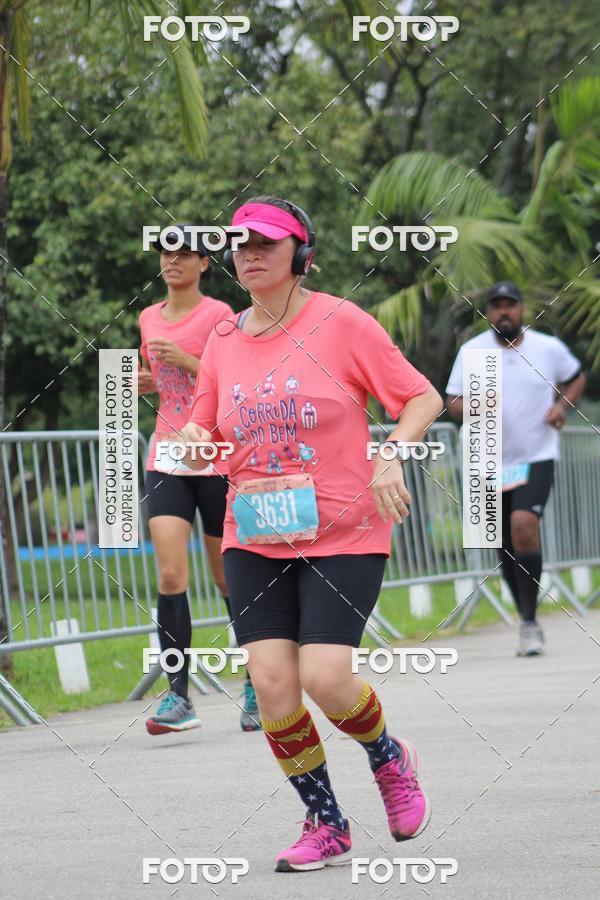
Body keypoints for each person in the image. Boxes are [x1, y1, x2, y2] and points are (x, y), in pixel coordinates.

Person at [181, 197, 443, 872]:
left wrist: (392, 453)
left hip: (345, 530)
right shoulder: (223, 340)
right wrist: (187, 436)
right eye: (239, 244)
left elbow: (420, 397)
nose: (249, 253)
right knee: (272, 683)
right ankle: (325, 821)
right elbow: (204, 425)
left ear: (301, 254)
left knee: (327, 678)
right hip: (254, 531)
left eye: (266, 242)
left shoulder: (342, 321)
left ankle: (390, 758)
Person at [138, 224, 260, 734]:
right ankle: (178, 698)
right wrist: (146, 382)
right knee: (170, 576)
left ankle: (259, 682)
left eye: (185, 254)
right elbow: (163, 390)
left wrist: (187, 361)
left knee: (227, 577)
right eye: (166, 253)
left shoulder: (220, 317)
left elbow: (229, 379)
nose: (173, 262)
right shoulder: (146, 316)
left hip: (213, 453)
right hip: (167, 452)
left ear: (206, 263)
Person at [446, 281, 585, 656]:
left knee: (524, 525)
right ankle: (526, 619)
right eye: (496, 306)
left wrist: (562, 407)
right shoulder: (471, 351)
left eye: (510, 305)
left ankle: (529, 621)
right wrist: (474, 407)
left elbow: (576, 377)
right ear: (488, 313)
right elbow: (452, 401)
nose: (503, 312)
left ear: (522, 309)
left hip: (536, 454)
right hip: (485, 459)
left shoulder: (547, 347)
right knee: (500, 543)